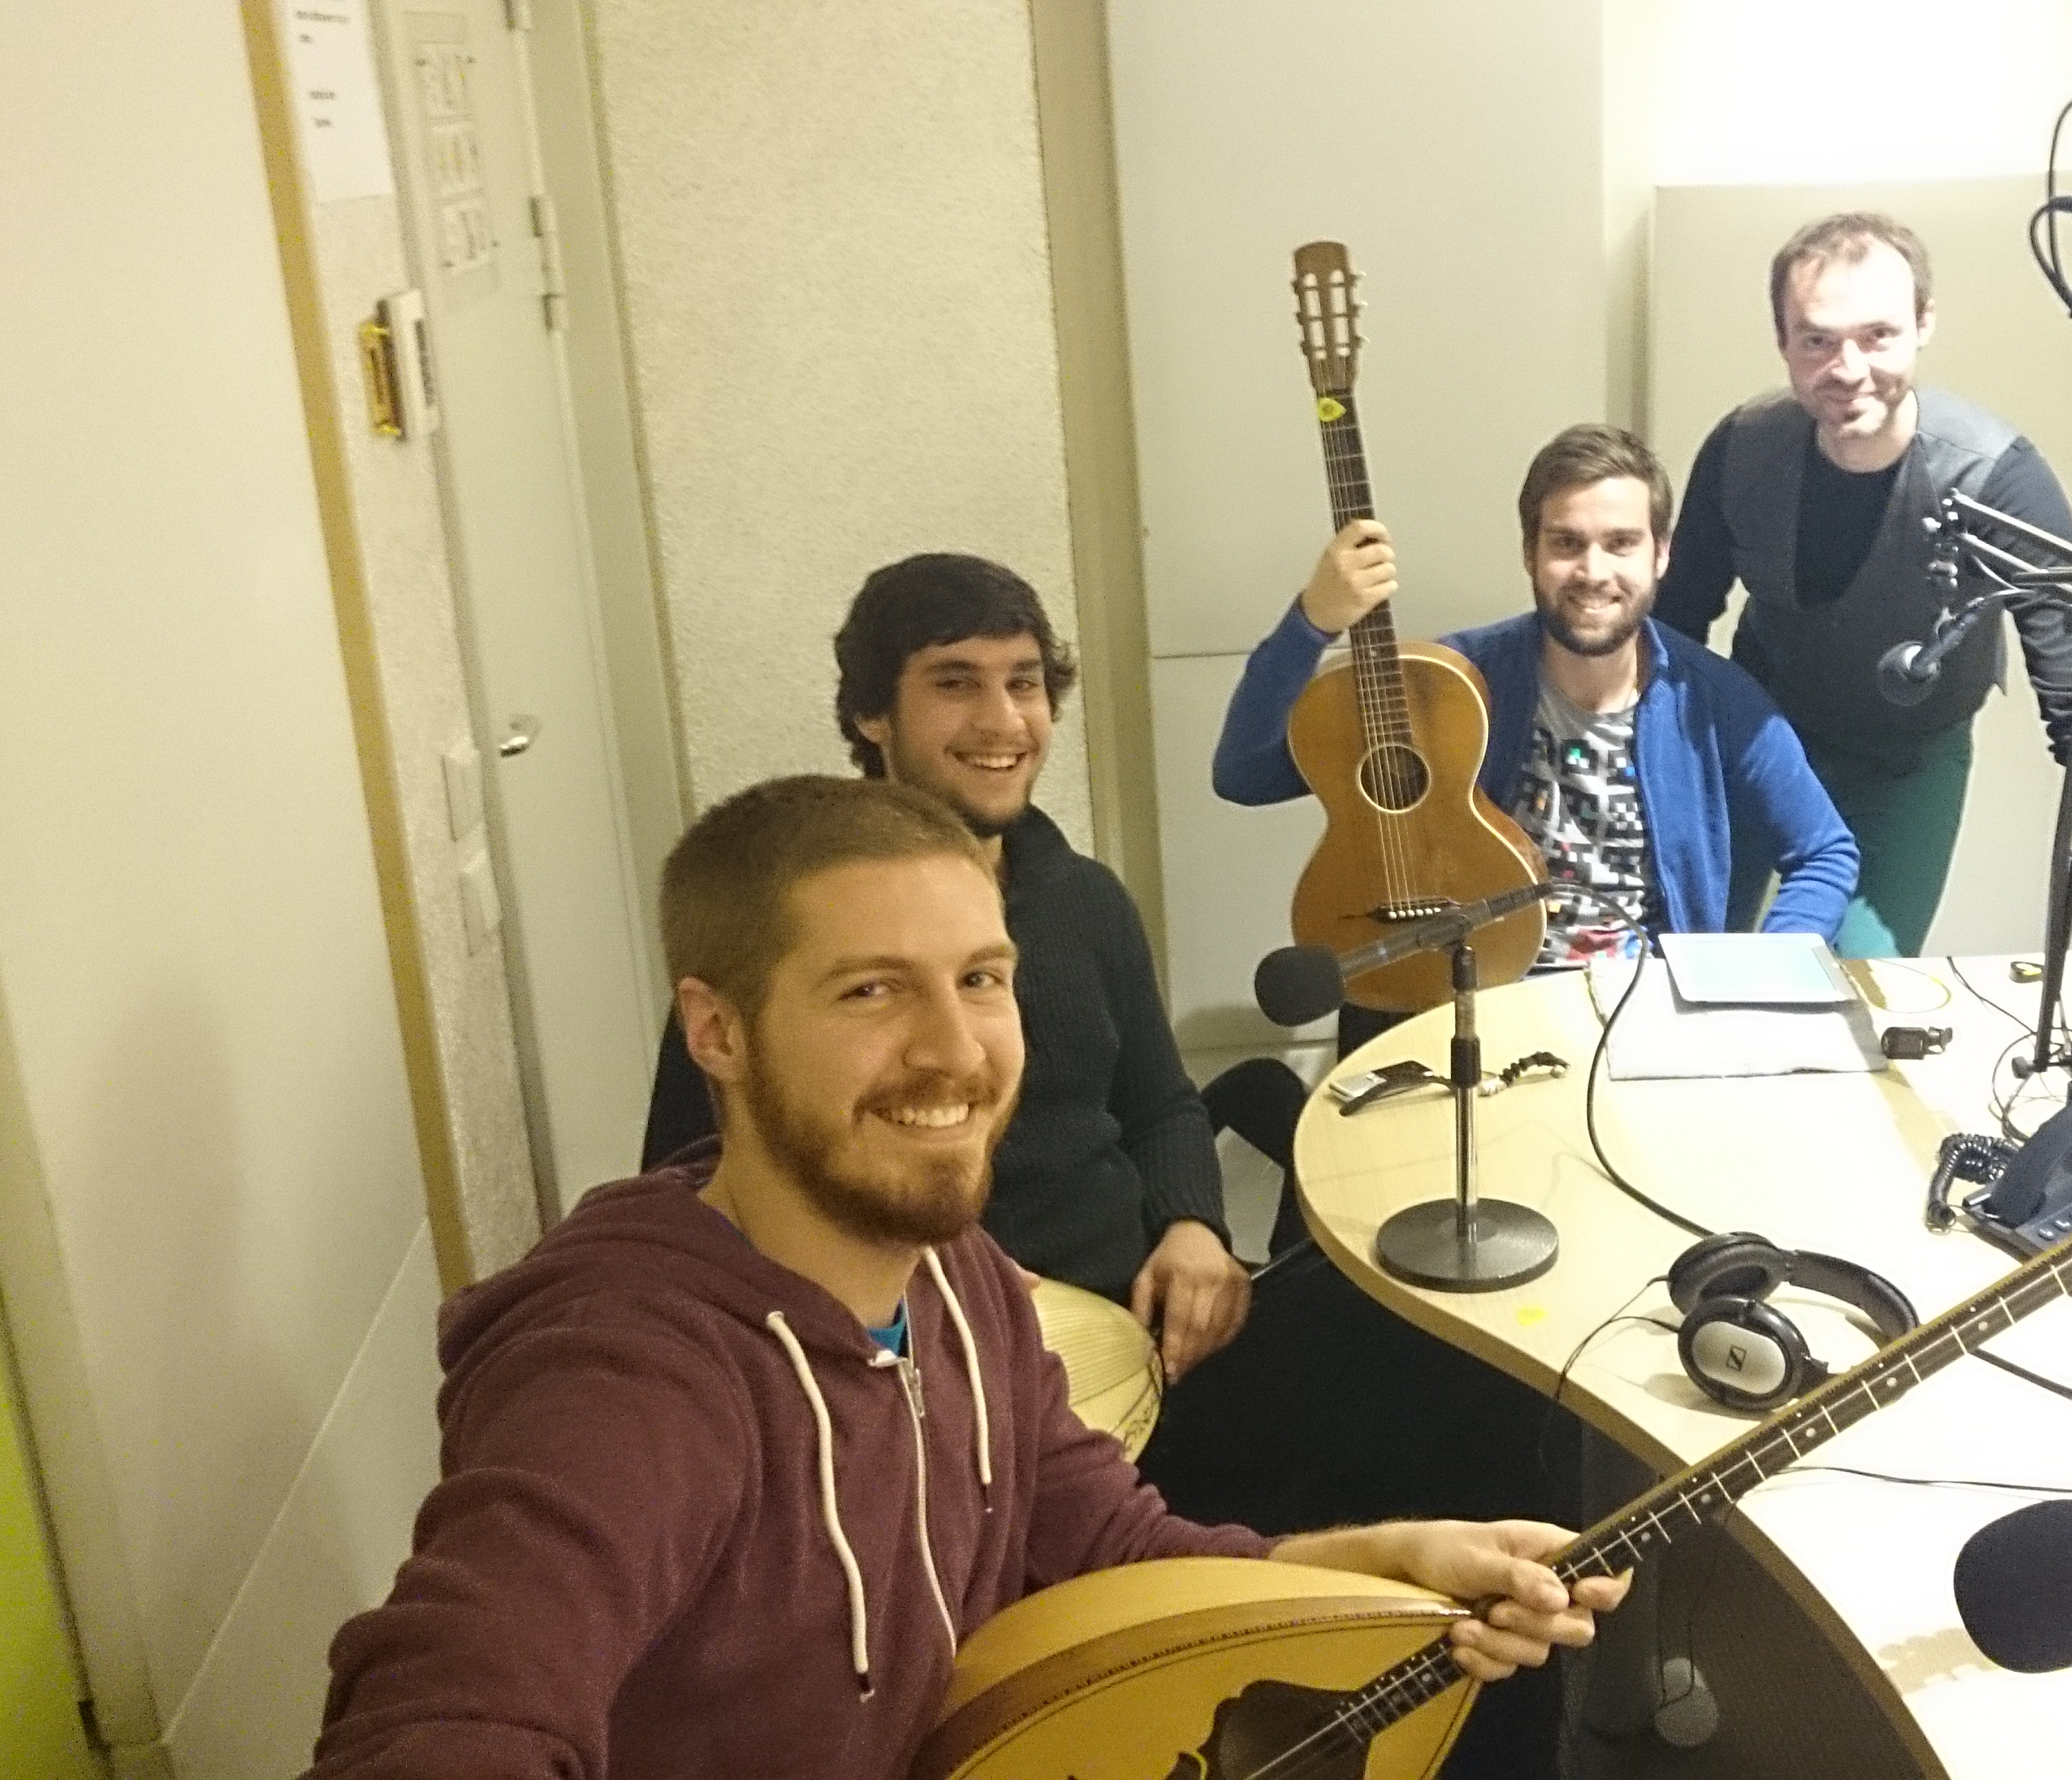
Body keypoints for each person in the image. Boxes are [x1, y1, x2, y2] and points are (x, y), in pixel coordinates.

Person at [305, 775, 1625, 1778]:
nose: (957, 1050)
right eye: (871, 992)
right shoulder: (632, 1378)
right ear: (717, 1032)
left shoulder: (960, 1277)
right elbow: (446, 1716)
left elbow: (1108, 1548)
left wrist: (1381, 1565)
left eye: (982, 980)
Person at [639, 555, 1247, 1384]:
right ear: (872, 713)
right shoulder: (795, 921)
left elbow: (1161, 1104)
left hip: (1141, 1324)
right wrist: (935, 1287)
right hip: (927, 1361)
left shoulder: (1087, 899)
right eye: (956, 684)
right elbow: (688, 1176)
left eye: (1024, 684)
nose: (1004, 722)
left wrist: (1193, 1228)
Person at [1653, 212, 2072, 957]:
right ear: (1782, 339)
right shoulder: (1743, 447)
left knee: (1854, 982)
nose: (1848, 369)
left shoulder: (1999, 480)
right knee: (1689, 957)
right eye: (1817, 340)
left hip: (1904, 766)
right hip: (1756, 744)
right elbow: (1673, 632)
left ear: (1923, 324)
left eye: (1877, 335)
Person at [1215, 423, 1858, 991]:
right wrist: (1311, 623)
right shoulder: (1451, 685)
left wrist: (1758, 976)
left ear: (1662, 554)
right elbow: (1245, 774)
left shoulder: (1715, 700)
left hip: (1644, 1007)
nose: (1593, 571)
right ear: (1530, 553)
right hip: (1475, 998)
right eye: (1567, 543)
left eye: (1621, 543)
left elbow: (1825, 853)